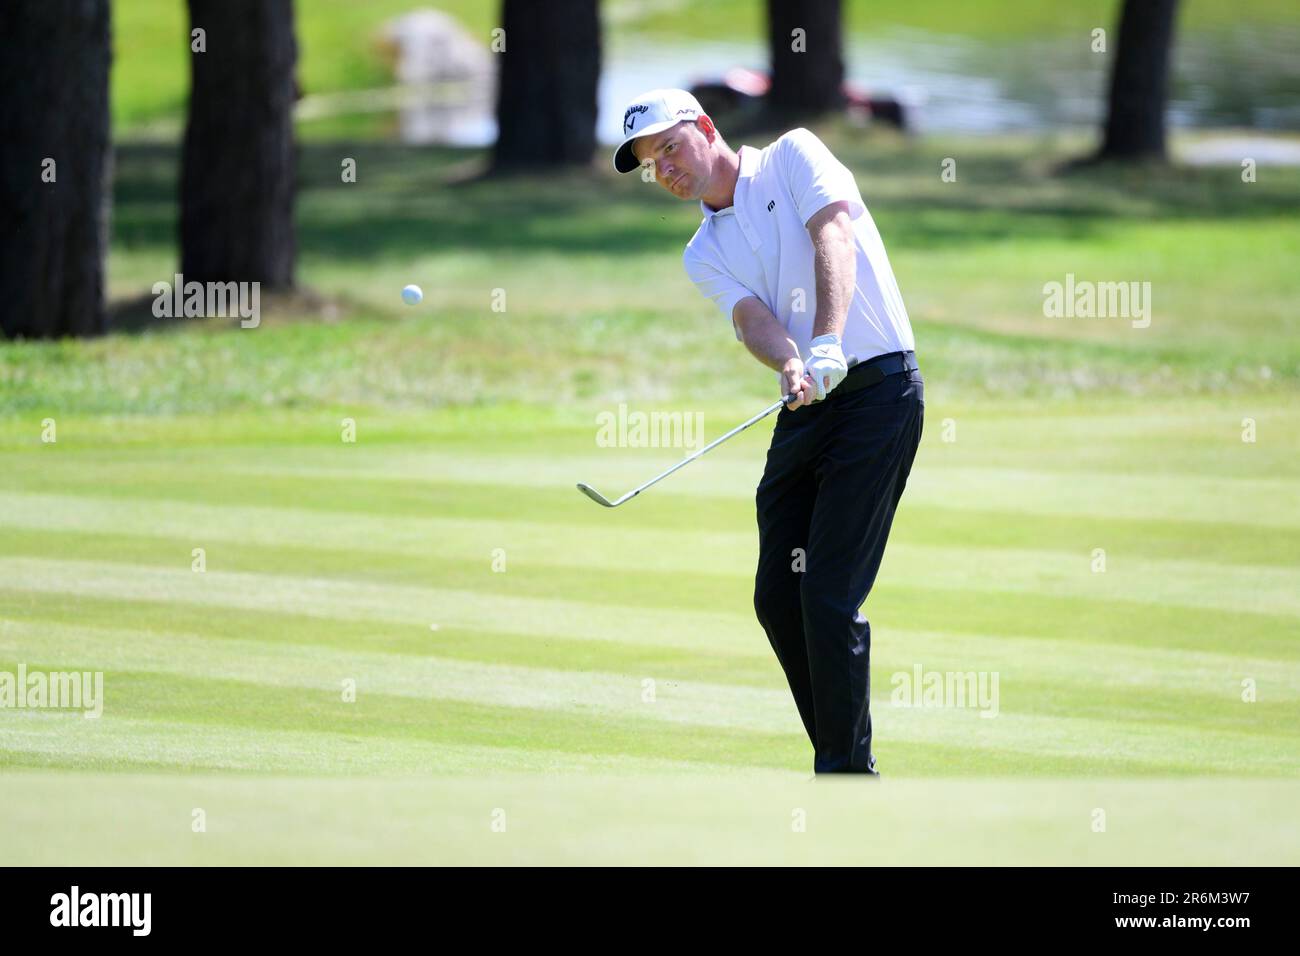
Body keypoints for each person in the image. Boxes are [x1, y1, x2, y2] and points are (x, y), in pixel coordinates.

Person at [613, 89, 924, 775]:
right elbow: (752, 317)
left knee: (829, 591)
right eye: (648, 163)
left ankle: (843, 771)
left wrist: (828, 342)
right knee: (779, 596)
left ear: (706, 128)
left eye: (669, 147)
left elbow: (832, 235)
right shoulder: (703, 250)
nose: (663, 168)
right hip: (808, 401)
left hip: (877, 390)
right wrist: (792, 360)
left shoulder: (793, 156)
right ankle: (840, 756)